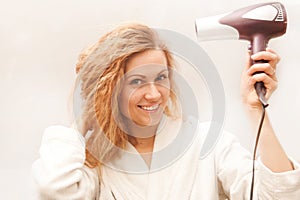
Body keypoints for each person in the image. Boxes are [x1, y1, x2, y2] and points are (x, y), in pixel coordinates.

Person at [32, 23, 300, 199]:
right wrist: (85, 121)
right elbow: (54, 189)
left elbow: (280, 195)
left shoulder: (206, 143)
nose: (154, 93)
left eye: (161, 77)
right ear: (111, 90)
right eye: (136, 81)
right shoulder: (96, 165)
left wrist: (254, 109)